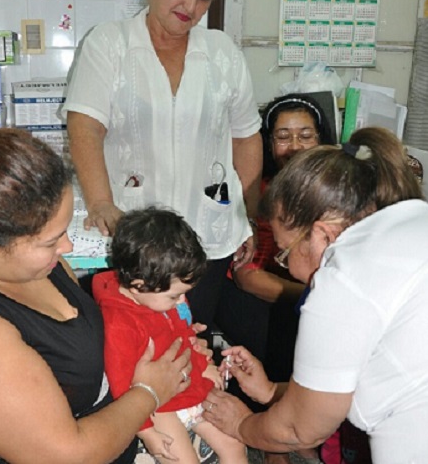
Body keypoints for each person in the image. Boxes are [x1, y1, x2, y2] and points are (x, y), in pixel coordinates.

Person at [0, 124, 195, 464]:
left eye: (63, 230)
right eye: (51, 240)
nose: (67, 247)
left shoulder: (26, 262)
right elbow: (68, 455)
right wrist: (149, 392)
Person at [62, 0, 263, 334]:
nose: (191, 6)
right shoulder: (109, 44)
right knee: (131, 348)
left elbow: (246, 137)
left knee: (192, 341)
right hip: (133, 240)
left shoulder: (223, 54)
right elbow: (85, 126)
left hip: (207, 241)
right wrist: (100, 203)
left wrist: (247, 217)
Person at [203, 127, 428, 464]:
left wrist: (241, 425)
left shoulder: (343, 277)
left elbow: (300, 429)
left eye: (284, 253)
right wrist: (272, 391)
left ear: (324, 235)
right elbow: (355, 380)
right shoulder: (412, 219)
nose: (289, 268)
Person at [215, 94, 335, 464]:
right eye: (283, 136)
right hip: (256, 294)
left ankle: (306, 427)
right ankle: (274, 441)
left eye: (305, 135)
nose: (294, 146)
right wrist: (317, 297)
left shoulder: (337, 192)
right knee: (284, 327)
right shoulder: (258, 193)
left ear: (322, 139)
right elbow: (248, 277)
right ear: (268, 144)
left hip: (309, 293)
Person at [92, 207, 248, 463]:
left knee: (235, 445)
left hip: (189, 386)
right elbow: (121, 386)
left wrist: (204, 366)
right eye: (175, 296)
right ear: (138, 285)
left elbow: (185, 335)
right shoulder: (119, 324)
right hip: (157, 406)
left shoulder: (159, 297)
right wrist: (146, 431)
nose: (182, 301)